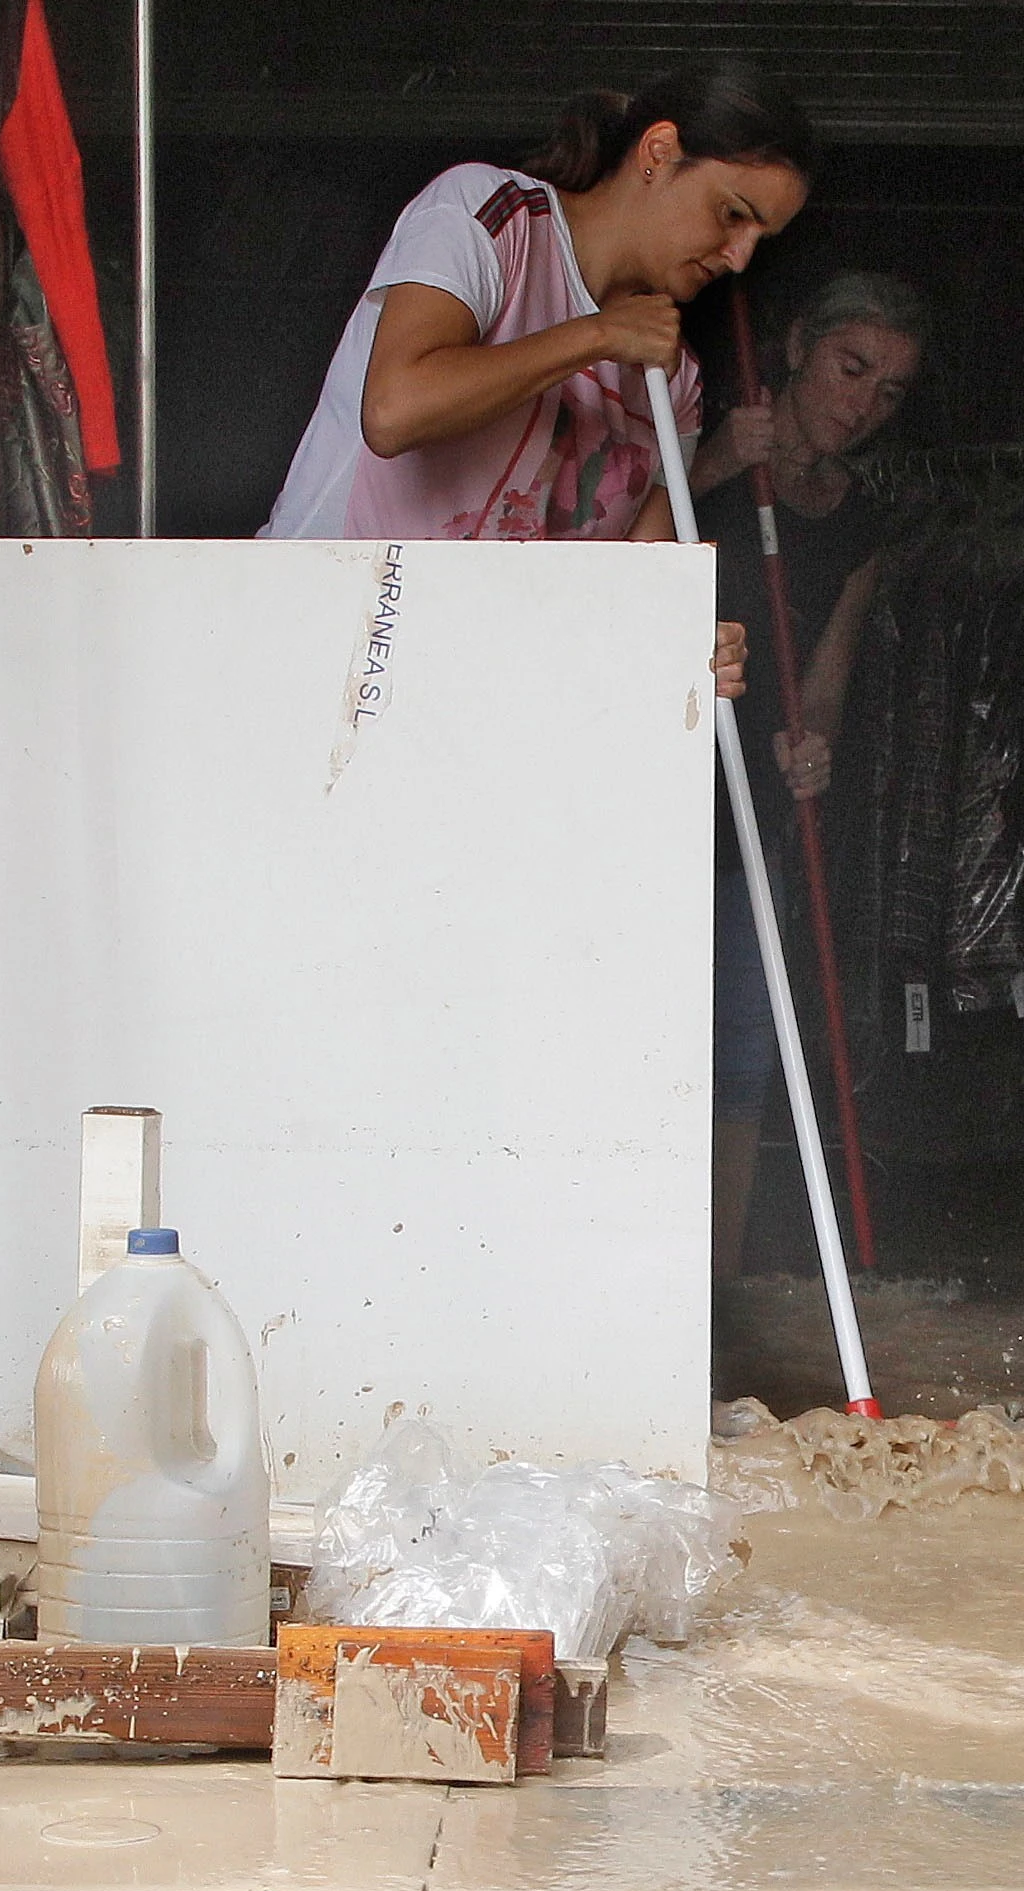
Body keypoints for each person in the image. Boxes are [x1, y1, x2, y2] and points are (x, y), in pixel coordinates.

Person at [263, 62, 811, 635]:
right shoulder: (495, 214)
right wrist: (596, 335)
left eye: (759, 238)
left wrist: (685, 650)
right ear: (659, 151)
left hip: (464, 698)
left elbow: (635, 604)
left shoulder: (674, 382)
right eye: (732, 214)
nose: (740, 256)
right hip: (317, 639)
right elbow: (393, 412)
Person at [688, 271, 931, 1273]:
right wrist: (708, 464)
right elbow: (610, 565)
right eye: (850, 367)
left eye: (888, 391)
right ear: (796, 348)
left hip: (749, 808)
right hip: (649, 781)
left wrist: (812, 746)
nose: (861, 403)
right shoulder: (701, 435)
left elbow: (823, 678)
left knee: (743, 1043)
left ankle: (716, 1283)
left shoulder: (855, 521)